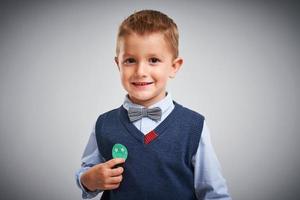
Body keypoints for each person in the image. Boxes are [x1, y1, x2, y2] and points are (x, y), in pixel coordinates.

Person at [75, 9, 231, 200]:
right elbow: (87, 173)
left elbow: (214, 192)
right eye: (130, 60)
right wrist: (87, 180)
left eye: (153, 60)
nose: (141, 71)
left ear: (174, 66)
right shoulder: (104, 124)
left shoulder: (193, 126)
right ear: (118, 65)